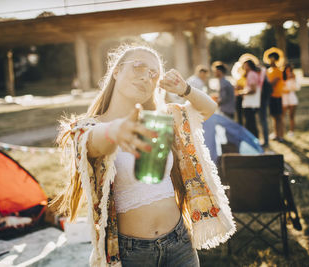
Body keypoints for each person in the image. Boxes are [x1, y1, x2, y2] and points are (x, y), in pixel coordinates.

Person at [52, 44, 235, 267]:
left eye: (153, 73)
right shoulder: (89, 128)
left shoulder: (159, 120)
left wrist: (184, 88)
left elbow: (207, 109)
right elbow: (93, 143)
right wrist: (116, 131)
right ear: (117, 71)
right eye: (138, 67)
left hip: (179, 243)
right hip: (131, 253)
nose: (146, 76)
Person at [239, 58, 265, 138]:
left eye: (245, 66)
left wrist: (242, 93)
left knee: (250, 124)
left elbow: (253, 90)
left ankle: (253, 141)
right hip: (251, 103)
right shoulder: (253, 74)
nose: (244, 68)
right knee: (251, 123)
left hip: (250, 104)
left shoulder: (251, 74)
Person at [264, 48, 285, 142]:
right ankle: (276, 134)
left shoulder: (278, 71)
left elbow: (273, 83)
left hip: (277, 96)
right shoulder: (268, 70)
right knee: (274, 116)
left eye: (272, 58)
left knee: (279, 117)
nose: (270, 60)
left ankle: (281, 135)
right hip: (271, 96)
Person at [282, 64, 300, 137]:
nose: (288, 71)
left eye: (290, 70)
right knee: (282, 116)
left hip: (292, 98)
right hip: (284, 99)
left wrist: (293, 79)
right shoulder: (282, 78)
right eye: (287, 70)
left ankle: (291, 131)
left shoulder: (293, 78)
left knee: (291, 116)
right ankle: (281, 131)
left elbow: (297, 88)